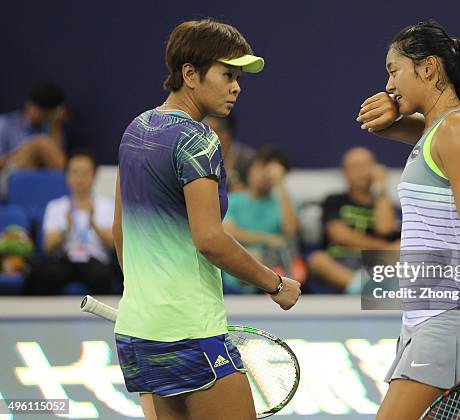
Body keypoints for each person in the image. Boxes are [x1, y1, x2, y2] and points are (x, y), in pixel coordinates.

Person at [112, 19, 301, 420]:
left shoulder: (135, 130)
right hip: (190, 330)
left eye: (238, 77)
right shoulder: (198, 139)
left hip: (137, 328)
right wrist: (275, 283)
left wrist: (147, 299)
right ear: (190, 75)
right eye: (227, 74)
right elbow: (210, 239)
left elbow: (120, 231)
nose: (236, 86)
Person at [356, 20, 460, 419]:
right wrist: (396, 104)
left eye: (394, 71)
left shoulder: (459, 132)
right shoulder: (437, 131)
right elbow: (382, 125)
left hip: (448, 320)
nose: (389, 83)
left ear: (428, 68)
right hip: (423, 321)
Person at [308, 147, 399, 293]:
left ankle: (364, 285)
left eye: (367, 165)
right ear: (345, 173)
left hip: (377, 264)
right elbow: (339, 235)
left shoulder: (383, 202)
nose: (363, 171)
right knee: (317, 260)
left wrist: (381, 186)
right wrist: (378, 245)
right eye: (356, 167)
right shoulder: (334, 200)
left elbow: (385, 229)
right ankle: (359, 286)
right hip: (340, 260)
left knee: (402, 247)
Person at [24, 151, 115, 295]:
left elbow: (114, 245)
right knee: (43, 275)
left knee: (102, 277)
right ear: (67, 176)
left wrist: (93, 224)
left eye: (85, 173)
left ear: (94, 176)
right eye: (75, 173)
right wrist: (66, 227)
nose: (80, 178)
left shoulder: (107, 206)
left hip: (95, 260)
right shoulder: (56, 207)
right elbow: (48, 247)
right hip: (65, 259)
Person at [223, 147, 300, 292]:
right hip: (238, 267)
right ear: (250, 169)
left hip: (276, 266)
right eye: (260, 168)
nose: (264, 175)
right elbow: (229, 232)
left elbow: (290, 231)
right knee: (252, 256)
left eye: (269, 171)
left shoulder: (285, 202)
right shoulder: (232, 199)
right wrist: (268, 239)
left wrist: (280, 184)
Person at [0, 82, 67, 174]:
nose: (35, 114)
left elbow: (56, 161)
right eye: (34, 107)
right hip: (7, 177)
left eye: (43, 113)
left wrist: (55, 127)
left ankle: (74, 180)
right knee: (39, 143)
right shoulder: (5, 124)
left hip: (39, 181)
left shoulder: (50, 128)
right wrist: (26, 152)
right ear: (28, 104)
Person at [203, 115, 255, 191]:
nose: (205, 138)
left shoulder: (249, 160)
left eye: (211, 133)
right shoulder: (195, 159)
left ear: (227, 134)